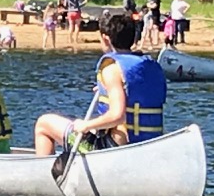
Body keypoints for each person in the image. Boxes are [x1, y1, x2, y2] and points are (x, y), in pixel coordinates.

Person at [33, 12, 167, 156]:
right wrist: (106, 89)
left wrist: (85, 125)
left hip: (113, 148)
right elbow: (135, 91)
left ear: (106, 39)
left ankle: (43, 169)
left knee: (43, 124)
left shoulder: (112, 69)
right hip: (150, 144)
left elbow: (117, 116)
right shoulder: (151, 67)